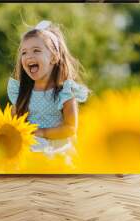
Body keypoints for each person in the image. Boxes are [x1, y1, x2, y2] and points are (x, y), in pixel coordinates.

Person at [7, 20, 89, 159]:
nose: (29, 56)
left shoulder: (65, 92)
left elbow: (70, 128)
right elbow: (14, 123)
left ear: (54, 57)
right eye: (24, 52)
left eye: (36, 50)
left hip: (57, 151)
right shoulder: (22, 93)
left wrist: (42, 132)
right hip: (31, 151)